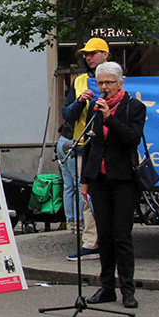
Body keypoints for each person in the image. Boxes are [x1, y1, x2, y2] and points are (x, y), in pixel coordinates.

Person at [81, 62, 145, 310]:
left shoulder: (134, 107)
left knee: (122, 236)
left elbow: (132, 138)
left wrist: (110, 118)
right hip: (99, 179)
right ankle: (107, 287)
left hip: (124, 179)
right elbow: (90, 145)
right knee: (104, 236)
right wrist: (85, 180)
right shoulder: (95, 107)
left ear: (120, 83)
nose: (104, 87)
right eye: (100, 83)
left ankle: (128, 289)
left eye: (108, 82)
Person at [60, 37, 109, 261]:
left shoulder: (119, 79)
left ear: (105, 54)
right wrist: (80, 101)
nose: (89, 57)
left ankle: (111, 240)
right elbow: (67, 115)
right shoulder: (80, 81)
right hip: (85, 147)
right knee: (87, 195)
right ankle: (91, 243)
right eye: (86, 54)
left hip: (112, 147)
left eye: (93, 53)